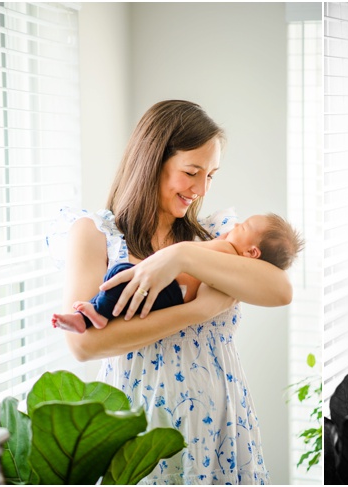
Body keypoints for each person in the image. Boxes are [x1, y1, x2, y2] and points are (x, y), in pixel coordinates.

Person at [47, 100, 294, 484]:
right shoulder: (96, 235)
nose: (201, 189)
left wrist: (180, 256)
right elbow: (84, 346)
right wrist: (197, 311)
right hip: (141, 420)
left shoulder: (217, 236)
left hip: (221, 425)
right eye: (192, 172)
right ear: (152, 161)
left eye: (211, 175)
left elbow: (280, 290)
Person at [51, 213, 303, 333]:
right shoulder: (236, 266)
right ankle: (92, 313)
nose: (236, 225)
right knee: (121, 278)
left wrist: (175, 256)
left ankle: (92, 314)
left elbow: (192, 260)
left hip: (170, 292)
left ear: (252, 253)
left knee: (121, 277)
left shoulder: (225, 248)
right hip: (172, 292)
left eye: (244, 226)